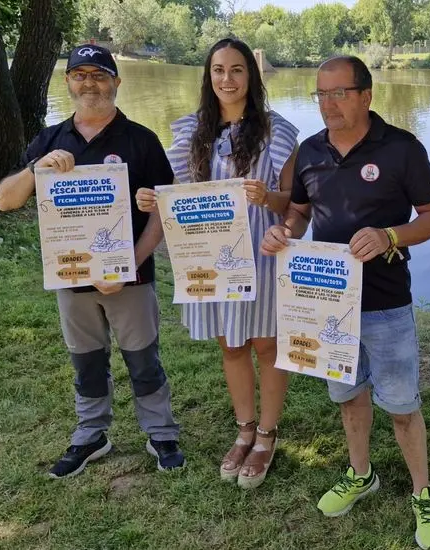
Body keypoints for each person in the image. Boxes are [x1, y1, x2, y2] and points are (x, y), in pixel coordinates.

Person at [261, 55, 430, 549]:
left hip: (386, 301)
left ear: (366, 95)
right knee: (348, 396)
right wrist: (284, 232)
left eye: (338, 93)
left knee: (402, 405)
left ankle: (423, 493)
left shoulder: (402, 148)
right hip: (327, 303)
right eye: (320, 94)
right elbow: (299, 213)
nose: (328, 104)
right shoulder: (308, 151)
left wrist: (390, 235)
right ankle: (361, 474)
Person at [0, 44, 184, 478]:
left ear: (116, 82)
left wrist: (129, 265)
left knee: (143, 359)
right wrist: (36, 169)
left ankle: (161, 433)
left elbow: (163, 212)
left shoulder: (142, 139)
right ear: (68, 83)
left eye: (99, 75)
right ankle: (91, 433)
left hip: (129, 278)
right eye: (79, 75)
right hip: (73, 276)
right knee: (86, 361)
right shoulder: (51, 139)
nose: (89, 84)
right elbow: (6, 200)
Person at [135, 37, 299, 489]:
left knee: (266, 346)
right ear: (208, 77)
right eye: (218, 70)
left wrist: (269, 197)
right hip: (213, 258)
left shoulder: (276, 130)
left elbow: (294, 203)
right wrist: (152, 198)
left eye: (237, 70)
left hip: (263, 254)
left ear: (252, 76)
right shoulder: (190, 130)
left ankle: (267, 435)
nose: (227, 79)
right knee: (231, 345)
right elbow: (177, 195)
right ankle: (244, 429)